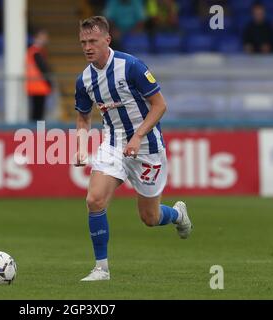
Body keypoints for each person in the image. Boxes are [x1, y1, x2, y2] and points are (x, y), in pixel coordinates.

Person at [74, 16, 192, 281]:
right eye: (83, 42)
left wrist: (138, 136)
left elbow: (160, 105)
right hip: (113, 144)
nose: (87, 47)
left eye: (93, 41)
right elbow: (83, 117)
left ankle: (177, 214)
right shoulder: (84, 80)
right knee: (94, 200)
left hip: (147, 146)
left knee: (150, 217)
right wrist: (81, 145)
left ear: (107, 40)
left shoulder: (131, 66)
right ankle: (101, 269)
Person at [26, 29, 52, 121]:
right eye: (43, 37)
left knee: (37, 111)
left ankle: (35, 132)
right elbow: (43, 69)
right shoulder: (36, 52)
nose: (45, 39)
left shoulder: (33, 51)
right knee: (38, 112)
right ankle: (37, 133)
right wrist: (49, 82)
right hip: (39, 85)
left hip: (36, 85)